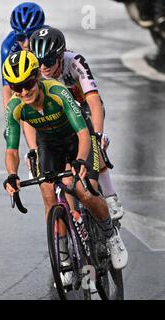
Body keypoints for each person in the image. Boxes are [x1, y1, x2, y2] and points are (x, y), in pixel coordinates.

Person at [2, 51, 128, 281]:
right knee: (49, 195)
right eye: (16, 87)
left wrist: (80, 160)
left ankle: (111, 235)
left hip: (77, 137)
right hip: (49, 145)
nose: (23, 92)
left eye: (28, 83)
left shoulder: (57, 92)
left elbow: (82, 132)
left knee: (85, 192)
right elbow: (11, 149)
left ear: (37, 78)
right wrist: (12, 174)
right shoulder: (15, 106)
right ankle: (64, 257)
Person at [29, 26, 124, 220]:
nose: (43, 67)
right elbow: (29, 113)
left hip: (84, 108)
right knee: (64, 168)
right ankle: (76, 220)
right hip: (60, 116)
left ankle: (110, 194)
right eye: (39, 62)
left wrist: (98, 134)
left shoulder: (75, 62)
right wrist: (33, 149)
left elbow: (94, 101)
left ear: (61, 56)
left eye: (48, 61)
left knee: (94, 143)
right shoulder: (35, 72)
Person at [0, 2, 46, 111]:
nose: (26, 44)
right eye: (20, 37)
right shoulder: (8, 46)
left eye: (30, 36)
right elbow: (7, 89)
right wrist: (10, 120)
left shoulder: (49, 37)